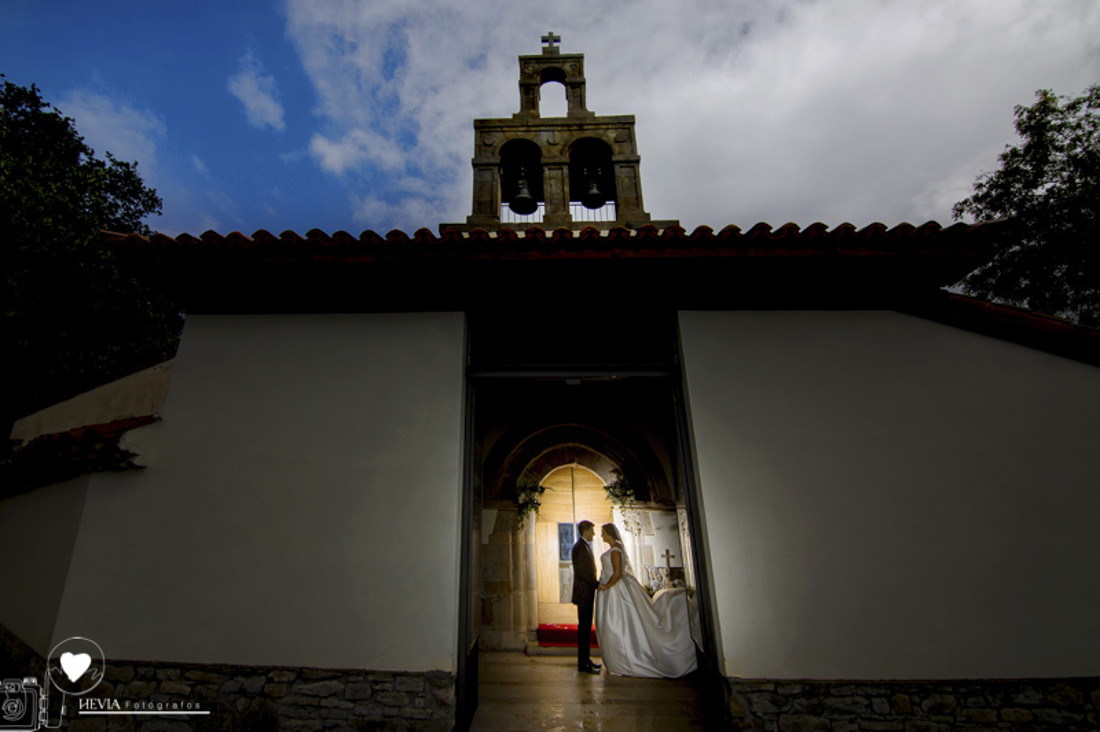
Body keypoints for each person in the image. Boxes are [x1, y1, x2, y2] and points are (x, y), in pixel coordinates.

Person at [596, 523, 698, 678]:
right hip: (610, 591)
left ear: (609, 534)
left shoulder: (615, 551)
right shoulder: (614, 549)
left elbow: (616, 574)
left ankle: (626, 659)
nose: (601, 535)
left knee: (618, 622)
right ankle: (616, 659)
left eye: (603, 533)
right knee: (613, 624)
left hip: (615, 591)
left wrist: (605, 586)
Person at [570, 520, 602, 674]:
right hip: (583, 594)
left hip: (586, 593)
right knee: (583, 630)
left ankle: (586, 660)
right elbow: (583, 572)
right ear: (586, 531)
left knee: (586, 629)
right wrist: (597, 584)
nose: (594, 534)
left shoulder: (584, 547)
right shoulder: (579, 548)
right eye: (592, 531)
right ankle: (583, 664)